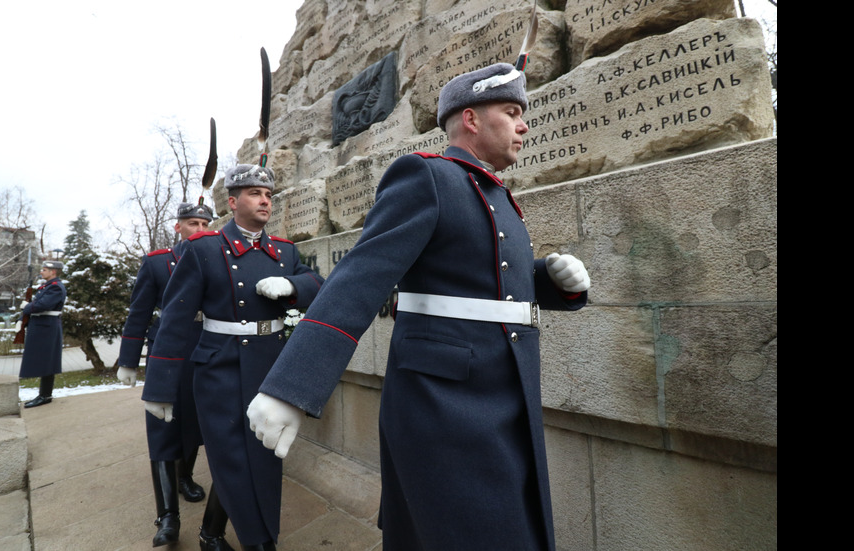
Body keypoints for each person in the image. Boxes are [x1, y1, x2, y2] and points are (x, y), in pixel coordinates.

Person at [246, 62, 591, 551]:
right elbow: (360, 278)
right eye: (511, 111)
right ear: (470, 119)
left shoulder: (495, 193)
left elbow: (482, 284)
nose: (523, 124)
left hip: (502, 392)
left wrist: (552, 282)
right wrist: (291, 386)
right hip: (445, 405)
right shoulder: (427, 177)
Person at [143, 164, 324, 551]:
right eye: (255, 193)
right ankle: (258, 543)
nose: (264, 201)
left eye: (269, 195)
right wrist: (158, 388)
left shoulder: (283, 251)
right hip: (218, 369)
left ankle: (213, 533)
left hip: (268, 368)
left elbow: (316, 284)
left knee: (262, 459)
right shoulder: (204, 248)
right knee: (232, 460)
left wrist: (291, 284)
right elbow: (174, 321)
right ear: (232, 201)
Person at [116, 201, 214, 547]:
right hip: (167, 353)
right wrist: (128, 359)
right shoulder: (158, 262)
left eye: (204, 223)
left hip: (207, 350)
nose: (198, 229)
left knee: (196, 422)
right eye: (192, 223)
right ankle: (168, 515)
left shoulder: (216, 256)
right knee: (162, 427)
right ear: (178, 227)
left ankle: (184, 475)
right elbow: (139, 311)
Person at [19, 260, 67, 408]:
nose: (41, 272)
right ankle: (44, 394)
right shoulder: (46, 287)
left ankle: (45, 395)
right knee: (45, 360)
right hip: (41, 325)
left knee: (47, 361)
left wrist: (27, 307)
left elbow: (42, 305)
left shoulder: (56, 287)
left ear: (53, 272)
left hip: (47, 327)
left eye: (44, 269)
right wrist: (22, 320)